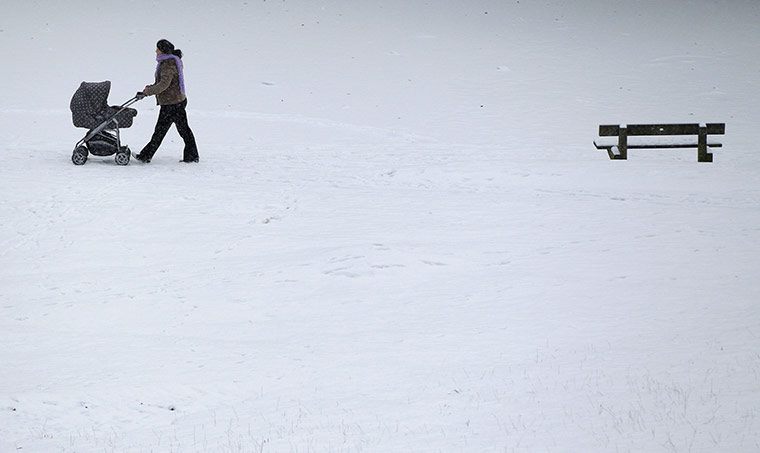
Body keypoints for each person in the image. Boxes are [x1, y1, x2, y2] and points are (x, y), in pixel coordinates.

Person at [134, 39, 199, 163]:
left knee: (163, 131)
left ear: (163, 50)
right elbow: (161, 83)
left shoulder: (168, 64)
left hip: (172, 103)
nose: (156, 51)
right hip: (175, 101)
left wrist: (147, 92)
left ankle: (145, 156)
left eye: (158, 49)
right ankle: (192, 156)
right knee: (182, 130)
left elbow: (164, 85)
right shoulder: (170, 61)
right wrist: (148, 89)